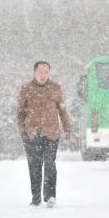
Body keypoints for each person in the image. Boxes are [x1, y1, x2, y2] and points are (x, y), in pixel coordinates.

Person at [17, 61, 72, 208]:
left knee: (49, 164)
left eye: (46, 72)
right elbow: (20, 112)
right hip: (31, 133)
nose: (43, 75)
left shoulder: (56, 88)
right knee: (34, 166)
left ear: (49, 73)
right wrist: (23, 130)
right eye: (40, 72)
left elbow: (62, 110)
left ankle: (50, 196)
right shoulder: (26, 89)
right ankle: (35, 198)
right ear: (35, 72)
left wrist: (67, 128)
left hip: (51, 133)